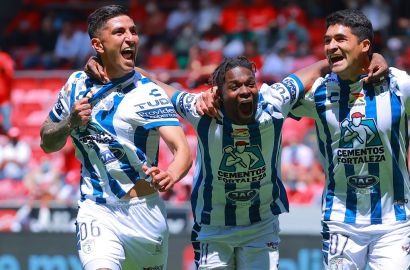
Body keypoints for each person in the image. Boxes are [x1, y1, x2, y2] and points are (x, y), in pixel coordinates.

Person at [86, 45, 387, 270]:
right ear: (218, 92)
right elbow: (153, 84)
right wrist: (106, 63)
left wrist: (369, 56)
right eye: (235, 86)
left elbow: (319, 68)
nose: (245, 91)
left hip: (261, 225)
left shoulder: (274, 102)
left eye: (249, 84)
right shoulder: (201, 109)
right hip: (213, 228)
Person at [287, 9, 410, 269]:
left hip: (393, 222)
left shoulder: (399, 84)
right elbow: (270, 103)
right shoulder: (319, 92)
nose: (331, 46)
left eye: (340, 39)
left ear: (364, 45)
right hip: (341, 221)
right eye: (327, 40)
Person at [40, 5, 192, 270]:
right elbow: (47, 142)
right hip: (96, 210)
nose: (130, 38)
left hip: (144, 213)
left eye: (133, 31)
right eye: (120, 31)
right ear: (98, 44)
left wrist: (171, 174)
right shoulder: (75, 85)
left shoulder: (149, 92)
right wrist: (69, 123)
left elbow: (182, 150)